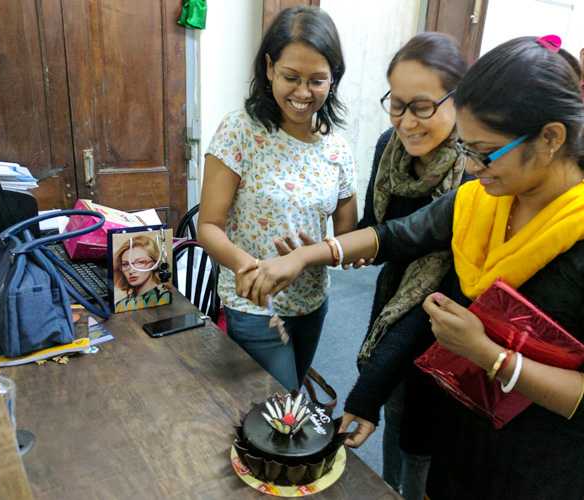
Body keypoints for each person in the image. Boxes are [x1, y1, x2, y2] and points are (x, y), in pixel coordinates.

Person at [239, 35, 584, 499]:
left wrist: (488, 355)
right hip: (459, 434)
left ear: (550, 138)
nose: (474, 166)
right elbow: (395, 234)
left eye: (485, 152)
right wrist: (305, 255)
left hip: (539, 464)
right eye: (468, 149)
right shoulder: (480, 199)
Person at [197, 6, 357, 391]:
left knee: (290, 401)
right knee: (276, 410)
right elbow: (208, 225)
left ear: (333, 79)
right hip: (255, 303)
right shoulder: (240, 131)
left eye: (317, 80)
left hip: (312, 301)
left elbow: (348, 235)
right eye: (291, 77)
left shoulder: (336, 147)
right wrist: (252, 268)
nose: (303, 93)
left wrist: (315, 252)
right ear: (269, 68)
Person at [339, 32, 468, 500]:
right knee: (394, 411)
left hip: (447, 322)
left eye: (422, 106)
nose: (407, 122)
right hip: (394, 304)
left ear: (458, 100)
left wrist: (365, 392)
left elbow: (439, 283)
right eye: (396, 105)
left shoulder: (476, 175)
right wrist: (337, 247)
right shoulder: (387, 147)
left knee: (427, 435)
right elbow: (380, 233)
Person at [113, 234, 171, 312]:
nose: (131, 271)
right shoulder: (120, 305)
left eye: (140, 262)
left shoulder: (165, 297)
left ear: (155, 264)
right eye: (125, 264)